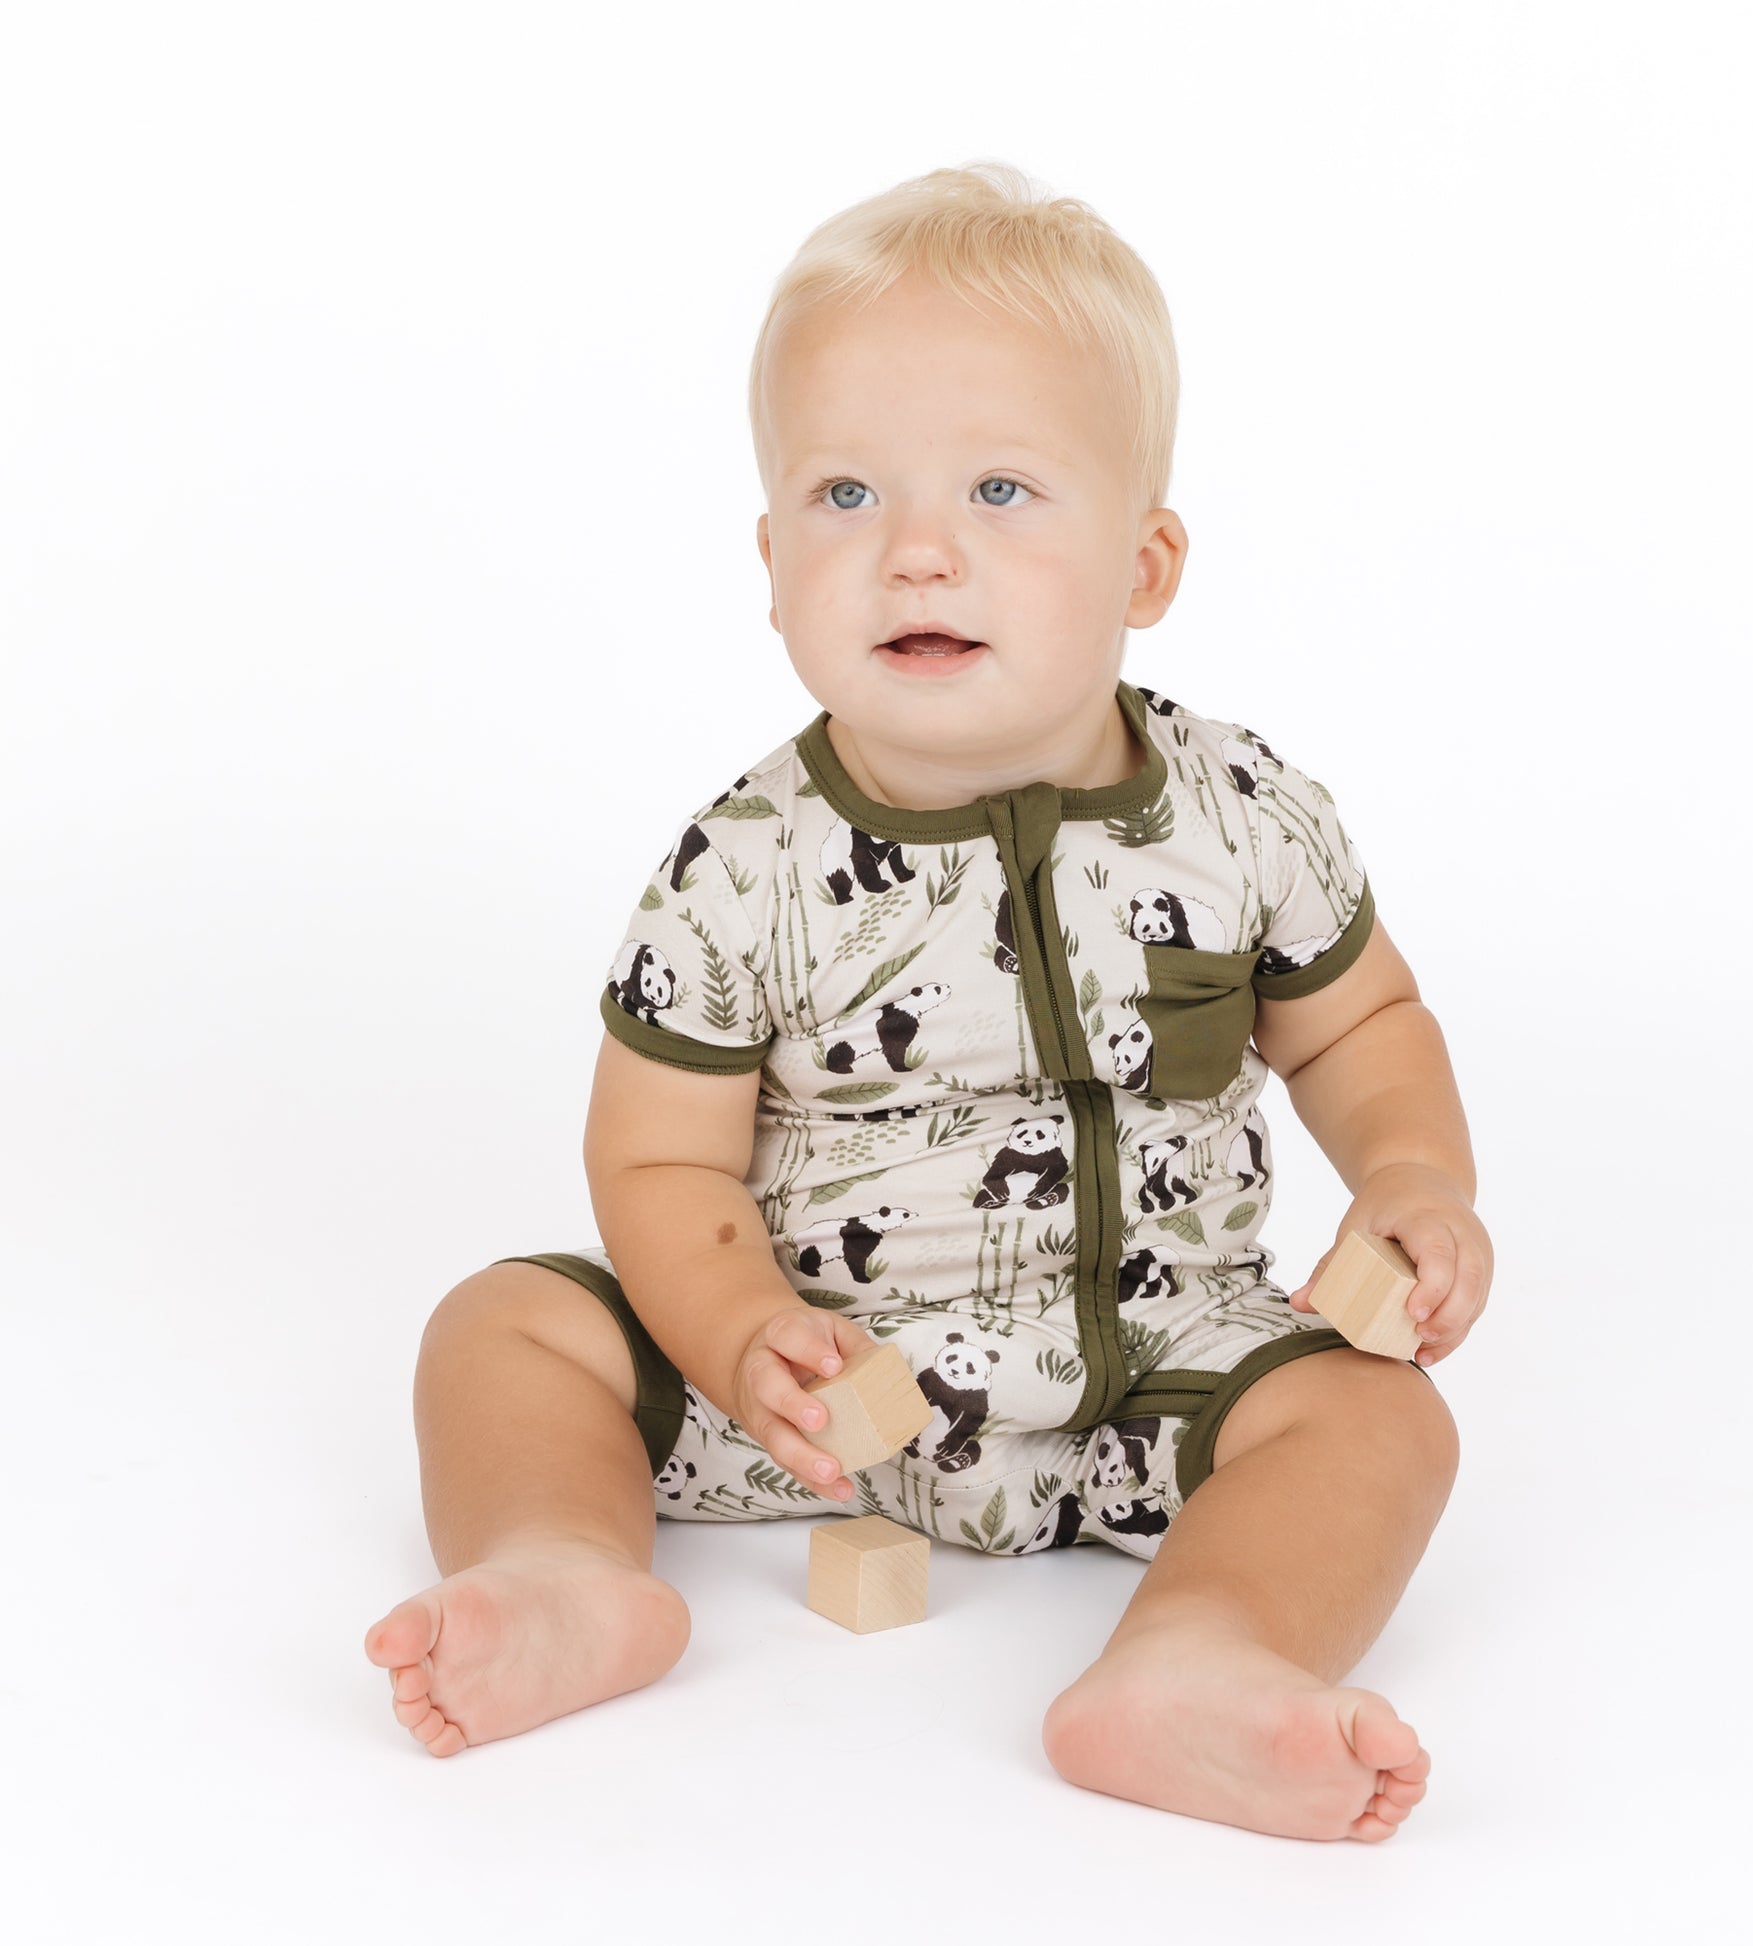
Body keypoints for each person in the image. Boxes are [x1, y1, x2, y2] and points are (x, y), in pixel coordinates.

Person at [363, 159, 1492, 1844]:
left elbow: (1354, 1025)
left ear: (1144, 561)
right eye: (841, 496)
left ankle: (1198, 1653)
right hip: (819, 1386)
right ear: (766, 559)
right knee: (500, 1326)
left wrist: (1413, 1178)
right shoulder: (743, 860)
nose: (912, 552)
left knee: (1376, 1415)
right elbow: (659, 1164)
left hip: (1152, 1370)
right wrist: (742, 1339)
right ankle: (562, 1567)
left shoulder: (1242, 810)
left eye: (1001, 490)